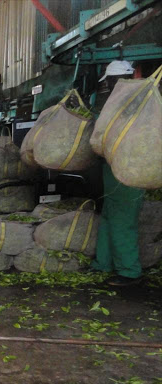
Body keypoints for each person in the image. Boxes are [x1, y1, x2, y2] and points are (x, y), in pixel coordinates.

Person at [91, 60, 144, 287]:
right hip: (112, 170)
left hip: (128, 171)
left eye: (110, 80)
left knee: (122, 221)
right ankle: (103, 263)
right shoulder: (118, 103)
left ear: (118, 80)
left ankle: (130, 272)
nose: (108, 84)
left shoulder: (134, 103)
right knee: (109, 218)